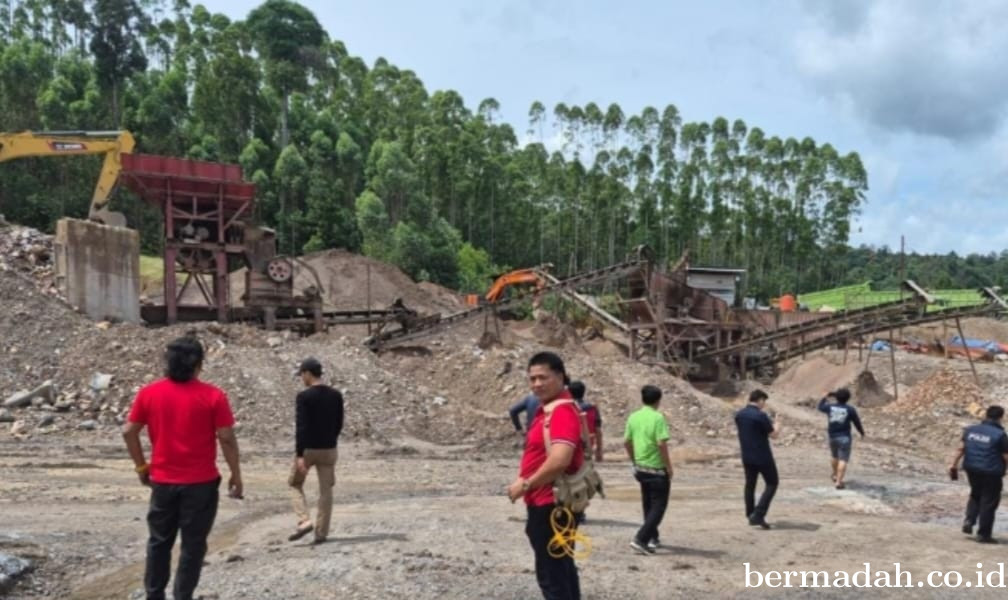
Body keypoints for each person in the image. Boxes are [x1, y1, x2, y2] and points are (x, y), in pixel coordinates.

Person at [122, 336, 242, 600]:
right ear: (199, 364)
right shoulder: (213, 396)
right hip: (201, 484)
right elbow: (226, 438)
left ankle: (154, 595)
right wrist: (236, 474)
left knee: (159, 542)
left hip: (163, 481)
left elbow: (129, 432)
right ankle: (183, 595)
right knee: (193, 545)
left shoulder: (149, 393)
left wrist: (141, 467)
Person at [507, 352, 584, 600]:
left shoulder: (561, 412)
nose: (537, 384)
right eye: (532, 379)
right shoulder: (550, 409)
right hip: (550, 502)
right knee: (561, 568)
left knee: (552, 576)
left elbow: (560, 460)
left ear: (560, 377)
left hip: (551, 504)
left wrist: (526, 484)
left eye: (543, 377)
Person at [288, 357, 344, 544]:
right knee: (326, 491)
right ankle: (321, 533)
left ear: (308, 373)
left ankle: (304, 520)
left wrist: (299, 455)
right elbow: (339, 423)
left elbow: (301, 427)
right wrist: (331, 440)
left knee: (295, 484)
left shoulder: (304, 397)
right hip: (329, 449)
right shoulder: (336, 395)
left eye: (302, 374)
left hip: (309, 450)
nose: (301, 378)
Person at [623, 385, 672, 555]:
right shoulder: (658, 418)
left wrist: (634, 459)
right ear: (658, 400)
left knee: (648, 503)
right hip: (656, 468)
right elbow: (661, 443)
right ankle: (641, 539)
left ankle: (652, 537)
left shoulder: (634, 417)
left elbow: (626, 442)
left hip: (641, 468)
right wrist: (668, 466)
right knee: (658, 506)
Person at [949, 405, 1008, 544]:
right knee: (989, 501)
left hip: (971, 468)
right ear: (1000, 417)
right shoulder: (1000, 435)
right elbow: (1006, 456)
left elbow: (961, 449)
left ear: (986, 415)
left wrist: (953, 464)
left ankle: (969, 520)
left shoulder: (970, 430)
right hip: (991, 471)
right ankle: (984, 534)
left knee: (976, 494)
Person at [734, 389, 780, 529]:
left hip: (747, 455)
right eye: (763, 401)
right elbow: (773, 435)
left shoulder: (739, 415)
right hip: (762, 455)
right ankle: (758, 514)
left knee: (750, 485)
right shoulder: (760, 415)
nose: (764, 404)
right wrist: (777, 423)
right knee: (772, 483)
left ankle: (750, 514)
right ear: (760, 400)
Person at [817, 387, 865, 489]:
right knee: (843, 459)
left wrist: (825, 397)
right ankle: (838, 482)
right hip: (845, 437)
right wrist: (861, 432)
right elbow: (856, 422)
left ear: (836, 397)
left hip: (832, 436)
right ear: (848, 398)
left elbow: (820, 407)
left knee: (834, 457)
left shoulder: (830, 407)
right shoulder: (850, 409)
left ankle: (835, 474)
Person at [569, 381, 603, 462]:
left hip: (571, 447)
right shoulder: (592, 409)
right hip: (587, 447)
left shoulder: (567, 409)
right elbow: (598, 430)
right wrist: (599, 450)